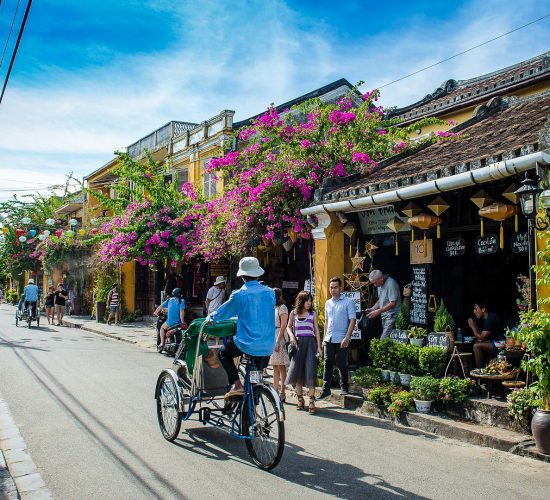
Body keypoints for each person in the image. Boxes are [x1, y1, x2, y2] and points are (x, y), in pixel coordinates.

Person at [208, 256, 275, 399]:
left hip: (247, 344)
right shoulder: (270, 292)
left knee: (223, 353)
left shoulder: (240, 294)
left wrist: (211, 318)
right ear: (258, 274)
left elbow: (222, 313)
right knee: (254, 381)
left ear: (242, 276)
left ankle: (237, 385)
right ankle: (254, 399)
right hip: (268, 346)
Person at [319, 277, 356, 399]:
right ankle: (326, 390)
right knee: (327, 363)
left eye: (335, 287)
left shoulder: (348, 302)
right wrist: (324, 338)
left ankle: (344, 387)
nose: (333, 290)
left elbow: (352, 320)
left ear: (340, 288)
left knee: (342, 364)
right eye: (331, 287)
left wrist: (347, 337)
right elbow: (326, 321)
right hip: (329, 338)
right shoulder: (328, 302)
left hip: (342, 338)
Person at [286, 291, 322, 413]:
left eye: (310, 301)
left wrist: (319, 347)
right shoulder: (293, 313)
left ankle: (311, 400)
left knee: (310, 371)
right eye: (307, 300)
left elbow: (316, 330)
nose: (309, 303)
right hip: (298, 344)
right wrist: (291, 336)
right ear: (301, 301)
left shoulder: (313, 313)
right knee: (297, 373)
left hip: (311, 344)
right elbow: (288, 327)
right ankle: (300, 399)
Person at [467, 301, 505, 368]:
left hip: (500, 344)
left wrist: (472, 326)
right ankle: (484, 368)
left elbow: (481, 338)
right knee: (477, 343)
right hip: (494, 342)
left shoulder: (490, 318)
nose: (474, 311)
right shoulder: (487, 318)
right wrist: (475, 325)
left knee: (476, 346)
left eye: (476, 309)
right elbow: (480, 337)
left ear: (483, 309)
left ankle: (479, 371)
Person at [366, 269, 401, 340]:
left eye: (375, 283)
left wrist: (378, 311)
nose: (374, 285)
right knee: (388, 340)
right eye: (373, 283)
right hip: (385, 316)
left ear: (381, 279)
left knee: (383, 339)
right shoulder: (380, 284)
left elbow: (392, 303)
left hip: (392, 316)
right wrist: (373, 308)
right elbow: (381, 299)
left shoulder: (391, 284)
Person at [269, 288, 290, 402]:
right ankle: (275, 391)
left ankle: (282, 392)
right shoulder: (274, 308)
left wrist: (277, 341)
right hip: (273, 336)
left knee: (281, 365)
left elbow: (283, 326)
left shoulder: (282, 307)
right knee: (274, 365)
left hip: (279, 337)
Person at [153, 288, 186, 353]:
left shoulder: (169, 300)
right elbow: (181, 312)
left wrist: (155, 313)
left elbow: (160, 307)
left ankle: (162, 343)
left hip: (170, 323)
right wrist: (182, 322)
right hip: (178, 323)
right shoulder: (182, 301)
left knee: (162, 328)